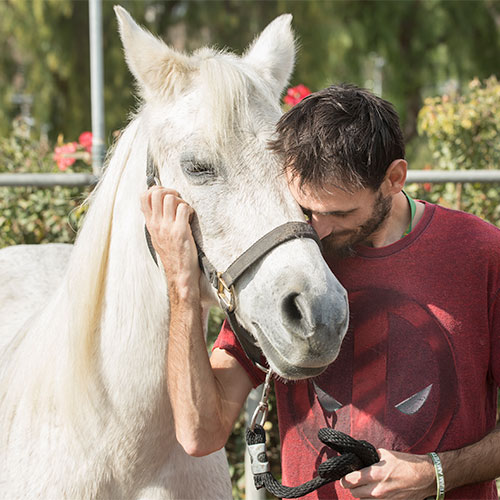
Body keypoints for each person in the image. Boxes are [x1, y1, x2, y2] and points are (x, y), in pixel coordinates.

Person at [141, 84, 500, 499]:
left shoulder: (479, 253)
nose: (320, 229)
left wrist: (435, 473)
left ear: (394, 179)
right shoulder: (288, 265)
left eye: (340, 212)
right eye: (306, 209)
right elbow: (200, 433)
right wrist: (181, 285)